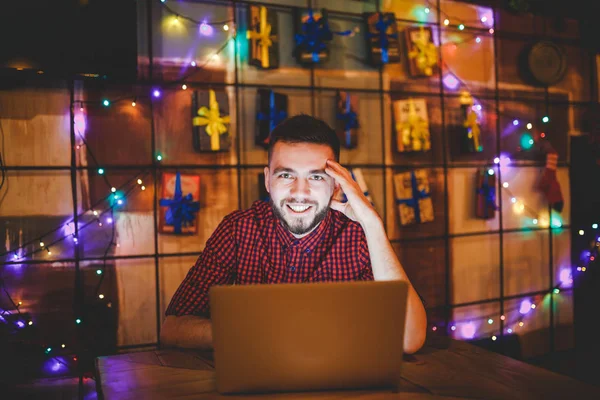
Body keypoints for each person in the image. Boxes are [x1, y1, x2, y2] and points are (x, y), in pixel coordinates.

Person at [161, 114, 427, 354]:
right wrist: (247, 335)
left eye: (316, 177)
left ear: (336, 185)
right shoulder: (238, 230)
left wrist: (372, 224)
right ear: (268, 180)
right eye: (286, 175)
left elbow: (409, 338)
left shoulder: (358, 236)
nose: (300, 192)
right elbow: (172, 328)